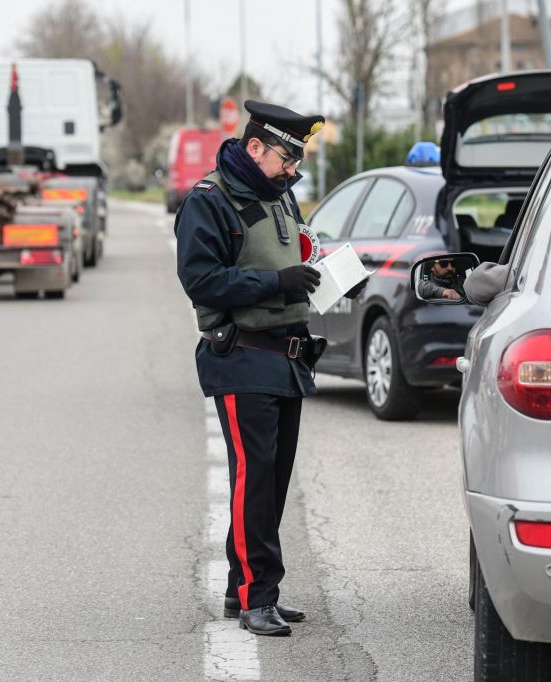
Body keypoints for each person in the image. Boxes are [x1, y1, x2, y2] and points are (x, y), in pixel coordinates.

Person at [175, 100, 364, 637]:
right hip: (241, 356)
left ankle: (246, 591)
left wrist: (334, 277)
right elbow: (201, 280)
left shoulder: (281, 199)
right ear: (254, 147)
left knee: (273, 483)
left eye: (296, 161)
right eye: (285, 157)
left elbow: (298, 258)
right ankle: (259, 595)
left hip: (287, 358)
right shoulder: (209, 202)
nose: (292, 170)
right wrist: (274, 284)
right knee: (253, 481)